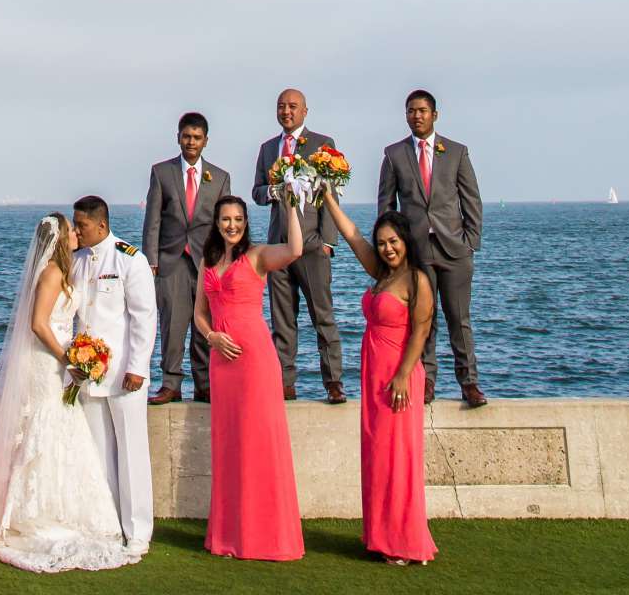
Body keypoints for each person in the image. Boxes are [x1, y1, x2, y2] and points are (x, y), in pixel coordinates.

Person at [0, 212, 137, 573]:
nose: (76, 233)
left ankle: (60, 505)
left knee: (61, 425)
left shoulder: (64, 270)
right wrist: (68, 358)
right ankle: (27, 513)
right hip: (46, 360)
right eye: (71, 230)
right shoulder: (52, 273)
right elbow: (38, 323)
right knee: (44, 425)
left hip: (60, 357)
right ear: (59, 239)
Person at [322, 188, 438, 564]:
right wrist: (328, 199)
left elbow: (421, 330)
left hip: (398, 376)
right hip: (373, 375)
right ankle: (381, 537)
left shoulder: (417, 280)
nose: (387, 249)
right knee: (378, 456)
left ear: (405, 241)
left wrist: (404, 375)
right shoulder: (381, 275)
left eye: (393, 242)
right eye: (382, 243)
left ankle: (405, 542)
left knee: (398, 458)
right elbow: (353, 237)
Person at [194, 191, 304, 561]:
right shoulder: (207, 261)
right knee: (229, 446)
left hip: (255, 360)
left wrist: (290, 204)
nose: (232, 226)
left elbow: (294, 249)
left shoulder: (257, 256)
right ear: (216, 223)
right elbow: (199, 313)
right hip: (222, 362)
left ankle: (269, 537)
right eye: (226, 219)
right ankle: (229, 536)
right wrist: (212, 337)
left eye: (238, 220)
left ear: (245, 222)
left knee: (260, 442)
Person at [377, 90, 486, 406]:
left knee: (458, 319)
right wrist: (393, 251)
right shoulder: (395, 154)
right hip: (417, 252)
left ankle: (469, 384)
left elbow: (471, 200)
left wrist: (470, 243)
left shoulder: (456, 152)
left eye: (423, 111)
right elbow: (387, 206)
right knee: (423, 320)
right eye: (411, 111)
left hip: (455, 250)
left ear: (434, 114)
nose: (417, 116)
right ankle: (426, 382)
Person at [69, 196, 158, 556]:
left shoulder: (128, 258)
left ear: (101, 225)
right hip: (88, 373)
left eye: (82, 226)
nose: (77, 231)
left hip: (124, 373)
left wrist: (138, 366)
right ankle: (106, 523)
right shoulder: (76, 261)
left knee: (132, 452)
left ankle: (138, 530)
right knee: (99, 450)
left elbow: (144, 318)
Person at [253, 87, 346, 403]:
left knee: (323, 317)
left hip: (312, 244)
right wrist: (275, 191)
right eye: (281, 106)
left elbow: (331, 194)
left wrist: (328, 243)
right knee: (282, 320)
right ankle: (284, 383)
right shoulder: (268, 149)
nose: (286, 111)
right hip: (279, 246)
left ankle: (333, 382)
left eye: (292, 106)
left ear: (305, 110)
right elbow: (256, 192)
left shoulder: (323, 145)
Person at [143, 112, 232, 405]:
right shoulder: (161, 172)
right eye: (186, 136)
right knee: (173, 325)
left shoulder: (219, 177)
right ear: (178, 137)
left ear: (205, 141)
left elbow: (225, 223)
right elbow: (152, 220)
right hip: (171, 262)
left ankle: (204, 384)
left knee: (204, 324)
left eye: (196, 138)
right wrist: (151, 261)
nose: (191, 142)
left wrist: (225, 263)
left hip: (206, 263)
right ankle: (170, 384)